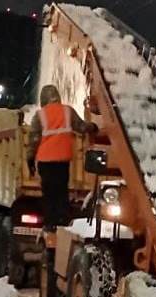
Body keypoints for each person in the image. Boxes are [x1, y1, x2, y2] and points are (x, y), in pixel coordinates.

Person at [27, 85, 98, 231]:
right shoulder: (67, 111)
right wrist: (93, 127)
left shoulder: (40, 115)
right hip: (62, 160)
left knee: (49, 193)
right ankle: (62, 221)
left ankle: (50, 223)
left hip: (45, 162)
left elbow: (34, 139)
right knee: (61, 192)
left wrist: (30, 159)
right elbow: (81, 127)